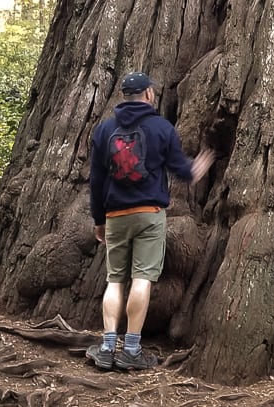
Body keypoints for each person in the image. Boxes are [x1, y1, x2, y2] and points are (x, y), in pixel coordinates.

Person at [86, 72, 213, 370]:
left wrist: (98, 220)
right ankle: (131, 349)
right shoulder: (161, 128)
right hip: (150, 215)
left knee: (115, 280)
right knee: (142, 278)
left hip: (115, 215)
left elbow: (96, 181)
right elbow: (183, 171)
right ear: (147, 95)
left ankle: (107, 346)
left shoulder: (105, 131)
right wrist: (199, 166)